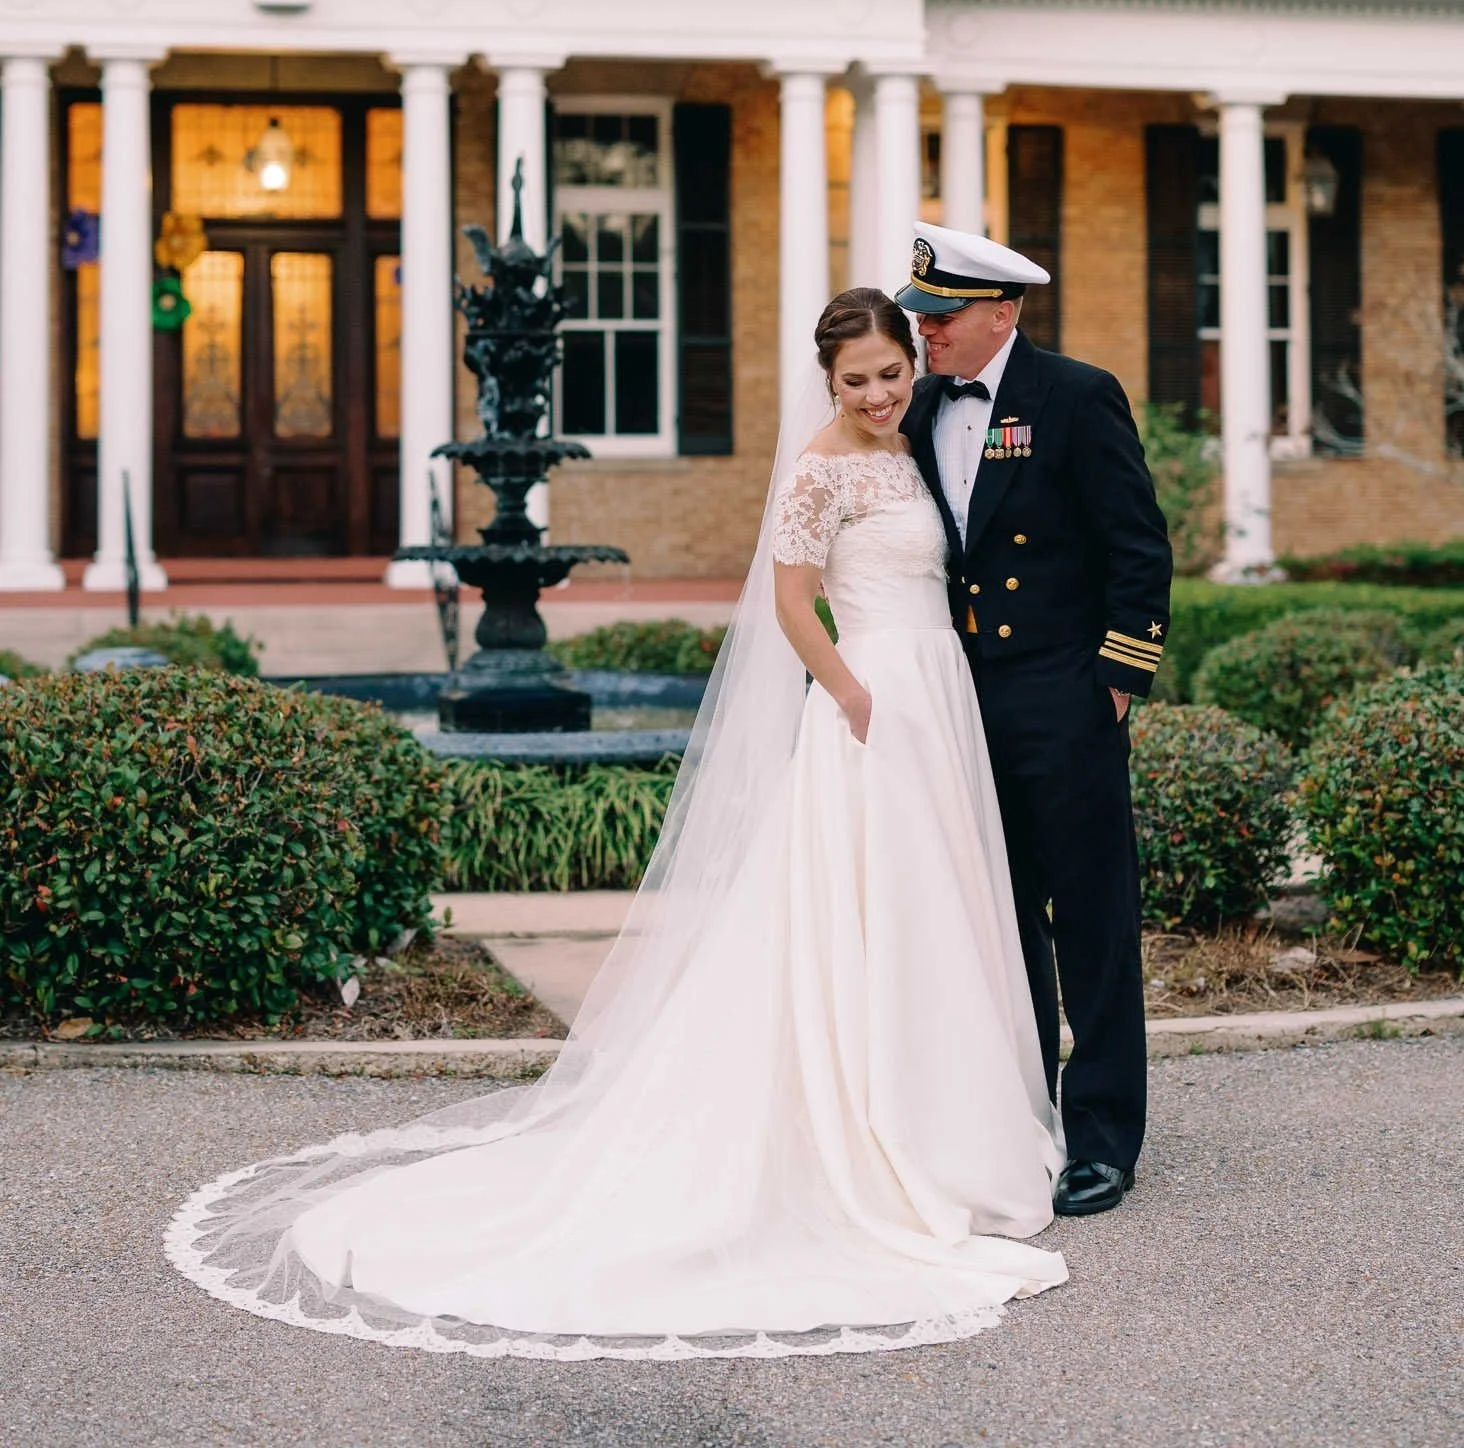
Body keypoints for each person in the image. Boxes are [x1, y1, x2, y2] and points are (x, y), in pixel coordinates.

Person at [167, 288, 1067, 1363]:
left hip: (941, 698)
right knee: (874, 916)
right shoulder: (821, 465)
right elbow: (788, 602)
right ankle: (884, 1137)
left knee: (941, 914)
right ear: (826, 385)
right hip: (874, 704)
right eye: (856, 381)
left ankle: (958, 1120)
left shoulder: (914, 440)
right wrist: (852, 694)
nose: (878, 394)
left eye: (889, 373)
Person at [897, 223, 1173, 1216]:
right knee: (998, 919)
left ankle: (1102, 1134)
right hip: (962, 700)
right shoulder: (919, 406)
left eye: (944, 316)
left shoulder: (1077, 394)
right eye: (922, 316)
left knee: (1092, 918)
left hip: (1062, 695)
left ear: (1002, 312)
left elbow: (1138, 547)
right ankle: (1018, 1119)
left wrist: (1114, 682)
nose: (927, 333)